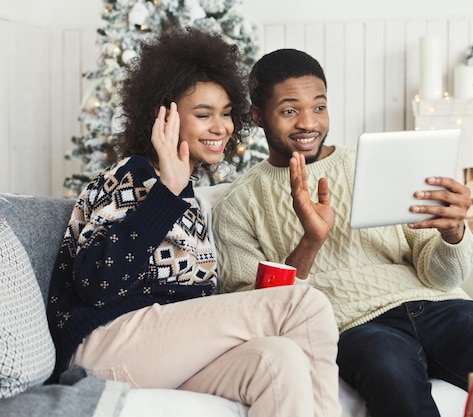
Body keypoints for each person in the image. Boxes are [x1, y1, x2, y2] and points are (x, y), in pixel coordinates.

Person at [212, 48, 473, 417]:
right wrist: (310, 242)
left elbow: (442, 278)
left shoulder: (374, 163)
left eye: (319, 107)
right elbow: (254, 311)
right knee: (399, 395)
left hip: (443, 308)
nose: (307, 123)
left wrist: (453, 233)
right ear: (257, 116)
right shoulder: (236, 204)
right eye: (289, 110)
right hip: (355, 327)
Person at [46, 30, 342, 417]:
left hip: (158, 352)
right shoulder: (129, 176)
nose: (221, 127)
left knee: (278, 359)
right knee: (305, 305)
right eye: (203, 115)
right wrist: (165, 193)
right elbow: (96, 281)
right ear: (163, 116)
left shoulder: (186, 193)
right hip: (103, 344)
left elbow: (195, 307)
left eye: (225, 113)